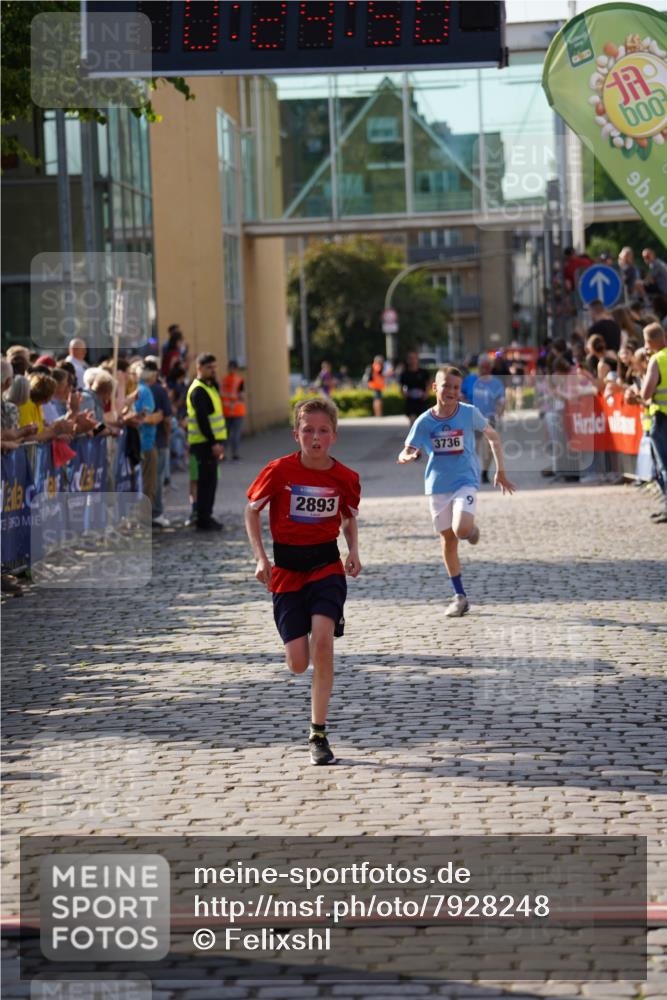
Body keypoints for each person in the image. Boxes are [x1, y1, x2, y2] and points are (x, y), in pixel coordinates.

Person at [245, 397, 361, 765]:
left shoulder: (345, 478)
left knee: (323, 643)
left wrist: (353, 549)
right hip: (287, 571)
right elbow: (251, 511)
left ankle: (318, 732)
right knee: (298, 662)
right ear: (296, 434)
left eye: (322, 430)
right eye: (308, 430)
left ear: (334, 436)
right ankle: (299, 653)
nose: (315, 437)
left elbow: (348, 517)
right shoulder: (278, 471)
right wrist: (260, 558)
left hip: (327, 567)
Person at [397, 367, 515, 617]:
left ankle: (471, 529)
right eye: (446, 386)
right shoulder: (425, 420)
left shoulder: (469, 413)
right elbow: (408, 448)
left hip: (465, 481)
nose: (451, 391)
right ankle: (460, 596)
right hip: (437, 487)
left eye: (455, 387)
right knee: (448, 541)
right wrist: (408, 455)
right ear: (435, 388)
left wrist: (500, 471)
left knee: (461, 530)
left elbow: (493, 437)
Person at [625, 323, 667, 523]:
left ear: (649, 342)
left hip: (662, 418)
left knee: (664, 466)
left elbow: (647, 393)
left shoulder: (657, 360)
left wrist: (636, 396)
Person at [186, 353, 227, 531]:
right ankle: (203, 519)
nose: (213, 370)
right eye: (210, 367)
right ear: (199, 368)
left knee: (211, 482)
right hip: (203, 444)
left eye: (215, 367)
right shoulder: (198, 390)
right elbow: (203, 420)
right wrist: (213, 443)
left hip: (209, 443)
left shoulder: (210, 387)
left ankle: (206, 515)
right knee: (205, 483)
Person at [144, 359, 173, 528]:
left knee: (147, 479)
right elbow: (167, 418)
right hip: (159, 440)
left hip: (145, 441)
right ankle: (156, 512)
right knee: (157, 478)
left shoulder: (139, 388)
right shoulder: (158, 390)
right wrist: (167, 437)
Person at [470, 355, 505, 483]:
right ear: (478, 367)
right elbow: (461, 395)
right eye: (482, 367)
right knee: (473, 446)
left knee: (490, 445)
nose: (485, 370)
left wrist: (498, 414)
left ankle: (484, 472)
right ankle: (473, 470)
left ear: (491, 368)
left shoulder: (496, 383)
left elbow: (501, 401)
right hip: (472, 416)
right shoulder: (471, 380)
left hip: (489, 417)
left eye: (487, 367)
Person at [221, 359, 246, 460]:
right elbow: (242, 396)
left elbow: (221, 395)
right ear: (236, 369)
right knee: (235, 435)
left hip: (226, 411)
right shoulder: (239, 380)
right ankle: (235, 454)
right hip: (237, 411)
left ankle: (222, 454)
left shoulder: (223, 381)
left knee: (225, 435)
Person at [399, 351, 431, 425]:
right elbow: (401, 388)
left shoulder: (424, 372)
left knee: (422, 423)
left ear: (417, 359)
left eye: (414, 358)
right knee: (413, 422)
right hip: (411, 402)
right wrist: (405, 394)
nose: (412, 360)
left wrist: (426, 393)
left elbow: (429, 384)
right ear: (407, 360)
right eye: (410, 358)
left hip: (422, 401)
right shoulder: (404, 374)